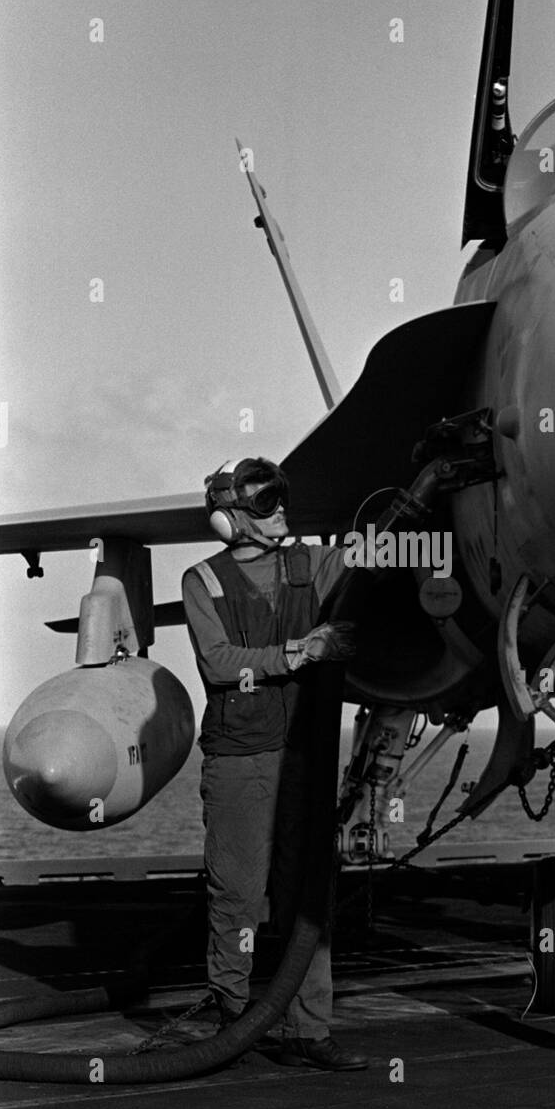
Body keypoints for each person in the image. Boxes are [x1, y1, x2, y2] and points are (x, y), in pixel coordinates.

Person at [182, 456, 367, 1071]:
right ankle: (235, 1018)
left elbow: (370, 558)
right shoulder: (202, 580)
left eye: (282, 500)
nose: (282, 512)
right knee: (238, 892)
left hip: (304, 757)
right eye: (266, 504)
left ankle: (306, 1031)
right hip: (242, 759)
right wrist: (299, 651)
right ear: (229, 518)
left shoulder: (307, 563)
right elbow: (219, 663)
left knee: (308, 895)